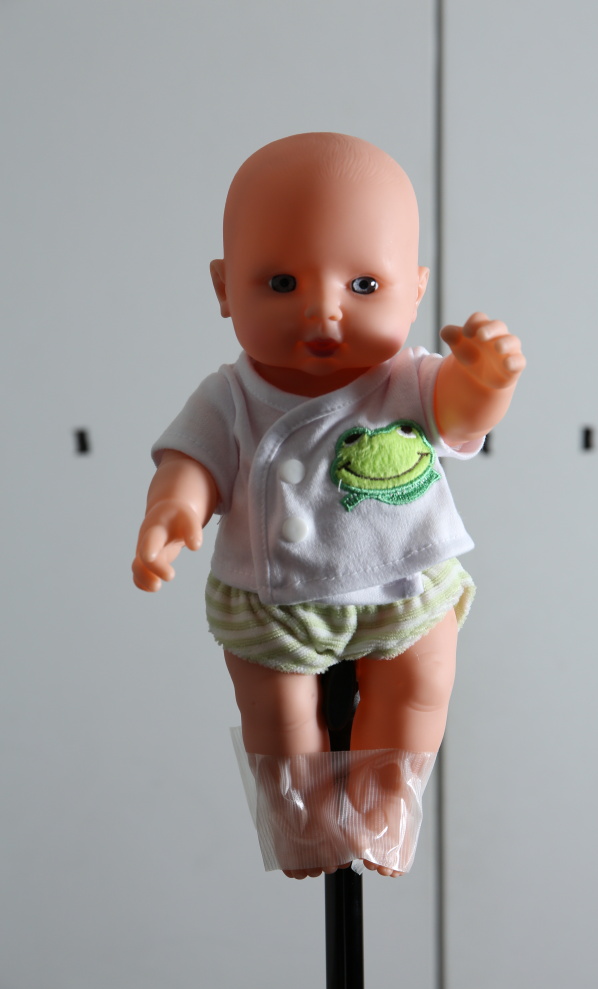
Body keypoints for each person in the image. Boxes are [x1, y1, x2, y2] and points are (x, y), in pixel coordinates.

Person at [132, 132, 525, 878]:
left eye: (364, 285)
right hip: (271, 599)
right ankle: (304, 826)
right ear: (224, 288)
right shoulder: (231, 395)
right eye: (282, 283)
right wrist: (174, 509)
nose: (323, 310)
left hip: (405, 583)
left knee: (420, 688)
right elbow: (193, 459)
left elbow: (459, 414)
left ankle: (382, 812)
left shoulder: (409, 379)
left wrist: (485, 384)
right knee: (277, 716)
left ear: (415, 289)